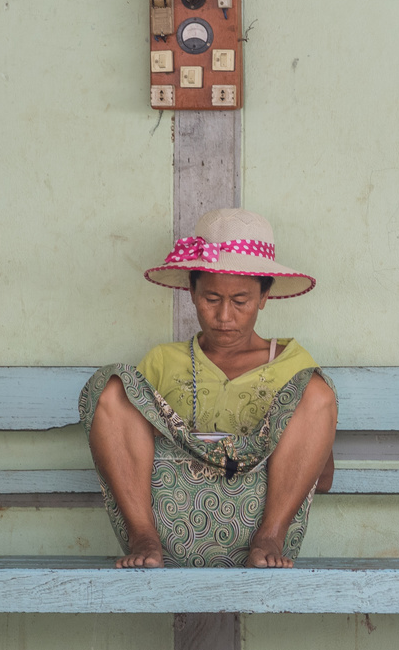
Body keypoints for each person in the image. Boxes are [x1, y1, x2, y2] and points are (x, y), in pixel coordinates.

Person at [81, 209, 336, 568]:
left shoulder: (294, 367)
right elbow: (122, 449)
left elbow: (322, 480)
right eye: (211, 299)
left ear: (265, 295)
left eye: (241, 301)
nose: (224, 316)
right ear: (192, 291)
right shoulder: (163, 362)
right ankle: (143, 537)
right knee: (111, 388)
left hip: (263, 539)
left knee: (318, 391)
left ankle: (270, 536)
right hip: (167, 529)